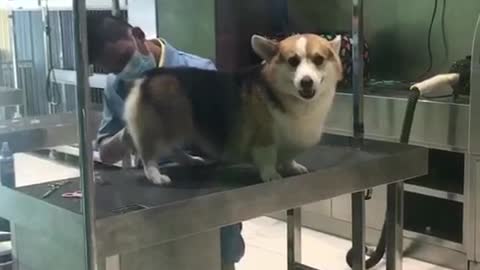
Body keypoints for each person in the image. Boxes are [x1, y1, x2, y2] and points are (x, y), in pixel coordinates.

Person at [87, 14, 245, 269]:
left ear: (138, 35)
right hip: (151, 206)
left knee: (216, 259)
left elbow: (230, 141)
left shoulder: (199, 72)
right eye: (114, 68)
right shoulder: (116, 87)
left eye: (124, 58)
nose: (123, 70)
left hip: (205, 199)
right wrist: (134, 131)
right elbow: (106, 153)